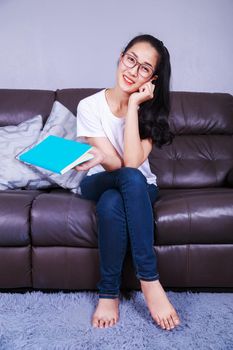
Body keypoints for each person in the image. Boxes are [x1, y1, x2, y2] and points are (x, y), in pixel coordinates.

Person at [75, 34, 181, 331]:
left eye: (144, 68)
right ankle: (150, 280)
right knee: (119, 183)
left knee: (114, 200)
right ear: (121, 55)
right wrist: (101, 158)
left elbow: (132, 163)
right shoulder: (89, 106)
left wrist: (134, 105)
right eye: (131, 59)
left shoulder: (150, 111)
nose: (133, 71)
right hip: (98, 179)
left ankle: (108, 293)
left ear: (153, 78)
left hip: (138, 186)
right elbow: (116, 165)